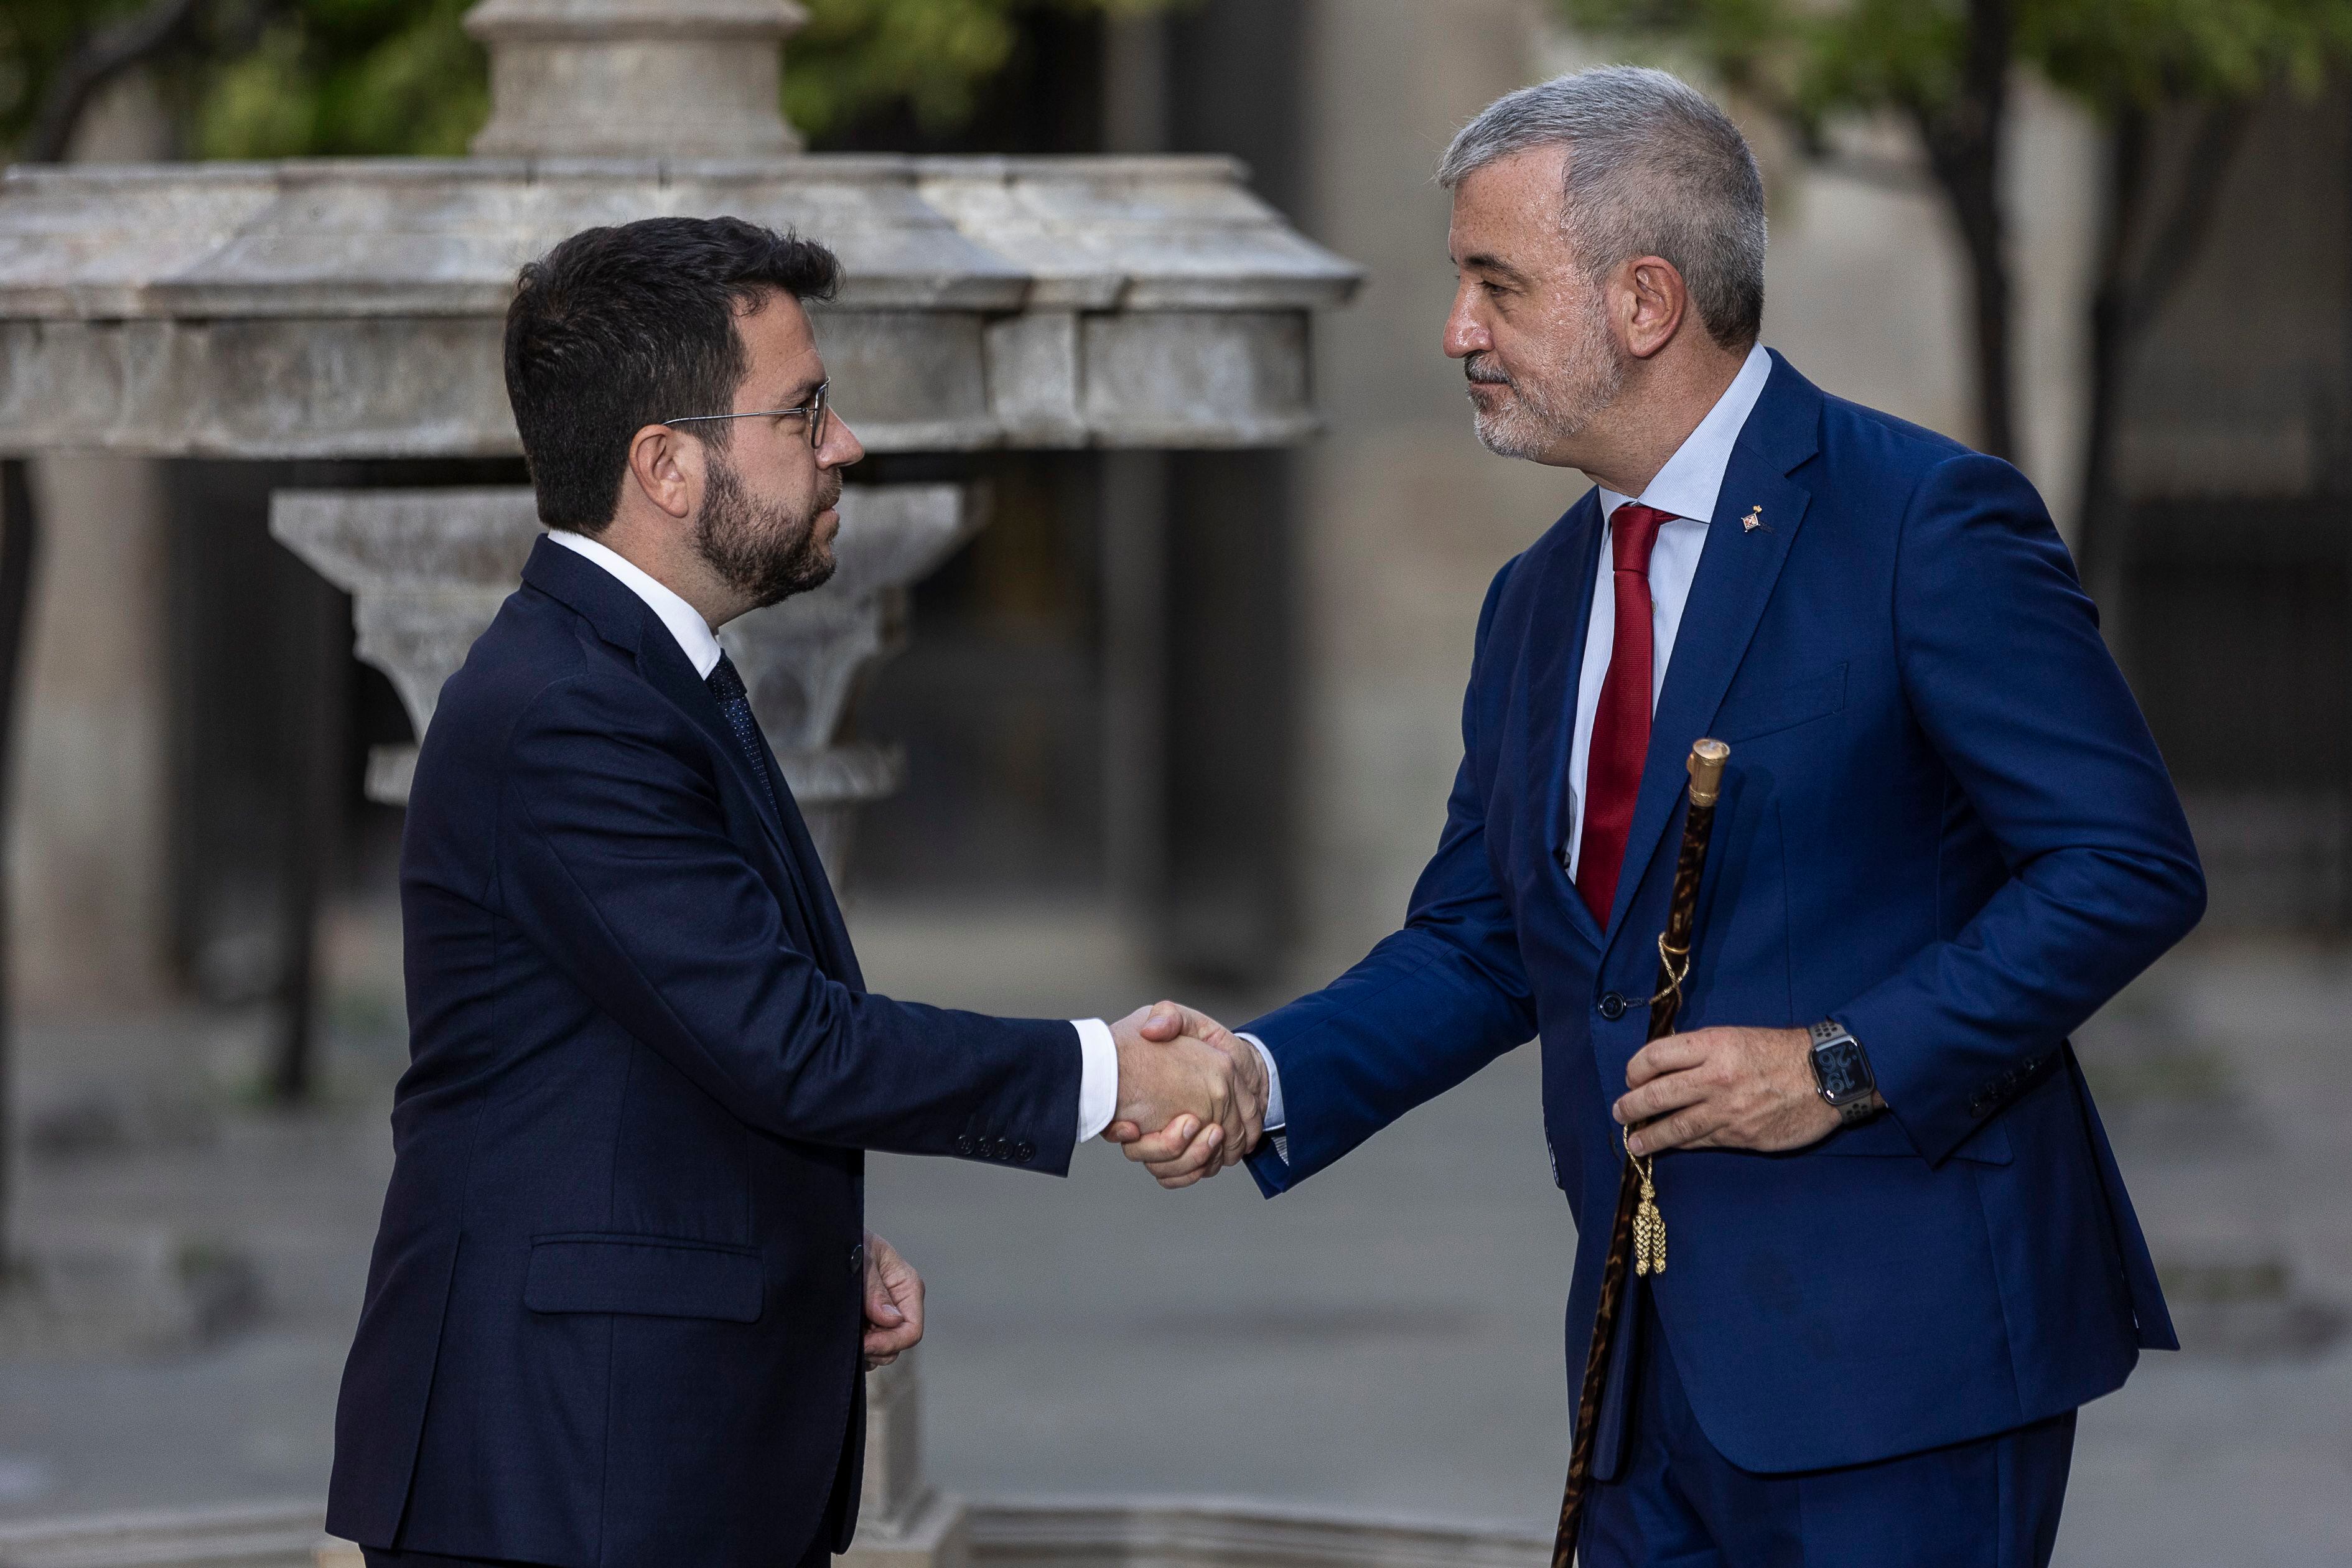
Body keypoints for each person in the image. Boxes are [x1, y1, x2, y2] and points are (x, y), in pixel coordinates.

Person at [1114, 66, 2203, 1567]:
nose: (1457, 332)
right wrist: (1258, 1067)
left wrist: (1843, 1063)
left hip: (1910, 1368)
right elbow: (1487, 944)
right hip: (1641, 1373)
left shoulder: (1924, 523)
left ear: (1643, 301)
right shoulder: (1535, 600)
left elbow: (2124, 866)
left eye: (1496, 284)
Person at [325, 216, 1264, 1568]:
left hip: (624, 1450)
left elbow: (660, 1055)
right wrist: (1111, 1072)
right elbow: (791, 1041)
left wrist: (800, 1246)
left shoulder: (641, 674)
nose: (846, 444)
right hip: (567, 1472)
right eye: (804, 409)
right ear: (666, 463)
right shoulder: (568, 711)